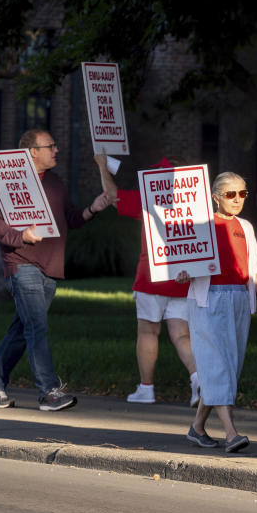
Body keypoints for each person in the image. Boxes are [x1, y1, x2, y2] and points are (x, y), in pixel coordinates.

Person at [0, 129, 112, 411]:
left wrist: (94, 208)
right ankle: (49, 392)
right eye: (49, 146)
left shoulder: (55, 183)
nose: (56, 150)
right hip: (22, 262)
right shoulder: (11, 181)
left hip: (51, 268)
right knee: (37, 326)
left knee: (23, 328)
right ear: (32, 152)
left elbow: (72, 219)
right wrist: (21, 237)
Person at [178, 172, 257, 453]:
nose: (237, 199)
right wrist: (182, 273)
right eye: (230, 194)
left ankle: (197, 428)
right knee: (217, 365)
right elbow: (184, 264)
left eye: (242, 193)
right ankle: (231, 433)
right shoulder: (201, 225)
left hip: (239, 299)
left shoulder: (246, 227)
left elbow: (254, 273)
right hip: (207, 300)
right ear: (216, 197)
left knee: (228, 366)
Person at [96, 155, 200, 405]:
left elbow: (112, 195)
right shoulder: (194, 203)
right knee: (182, 335)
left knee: (148, 331)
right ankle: (198, 378)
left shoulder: (147, 200)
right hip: (182, 277)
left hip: (151, 276)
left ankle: (146, 389)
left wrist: (101, 165)